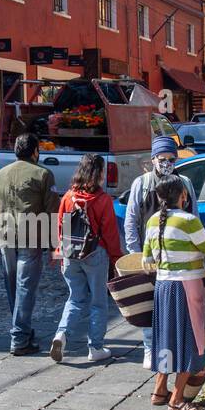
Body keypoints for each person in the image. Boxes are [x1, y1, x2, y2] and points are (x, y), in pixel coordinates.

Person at [124, 136, 199, 400]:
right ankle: (149, 348)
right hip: (149, 257)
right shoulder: (142, 184)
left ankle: (161, 374)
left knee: (169, 317)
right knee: (147, 306)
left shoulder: (185, 183)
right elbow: (132, 219)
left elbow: (195, 216)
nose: (166, 163)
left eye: (171, 159)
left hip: (177, 261)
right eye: (162, 159)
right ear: (153, 159)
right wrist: (135, 253)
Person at [142, 174, 205, 410]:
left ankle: (159, 390)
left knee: (166, 339)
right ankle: (177, 398)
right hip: (188, 287)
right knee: (192, 341)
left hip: (163, 287)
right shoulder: (188, 221)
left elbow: (146, 260)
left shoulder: (153, 221)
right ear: (183, 196)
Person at [0, 133, 57, 355]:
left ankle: (22, 330)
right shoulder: (43, 174)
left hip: (4, 239)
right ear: (35, 151)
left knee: (14, 286)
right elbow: (52, 212)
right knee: (25, 288)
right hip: (29, 238)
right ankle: (19, 337)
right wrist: (55, 245)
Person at [51, 153, 123, 364]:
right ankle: (96, 347)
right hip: (95, 254)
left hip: (70, 254)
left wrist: (60, 255)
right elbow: (110, 234)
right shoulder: (102, 200)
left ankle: (61, 334)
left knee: (75, 298)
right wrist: (116, 258)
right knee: (99, 303)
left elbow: (60, 229)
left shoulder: (67, 197)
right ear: (99, 173)